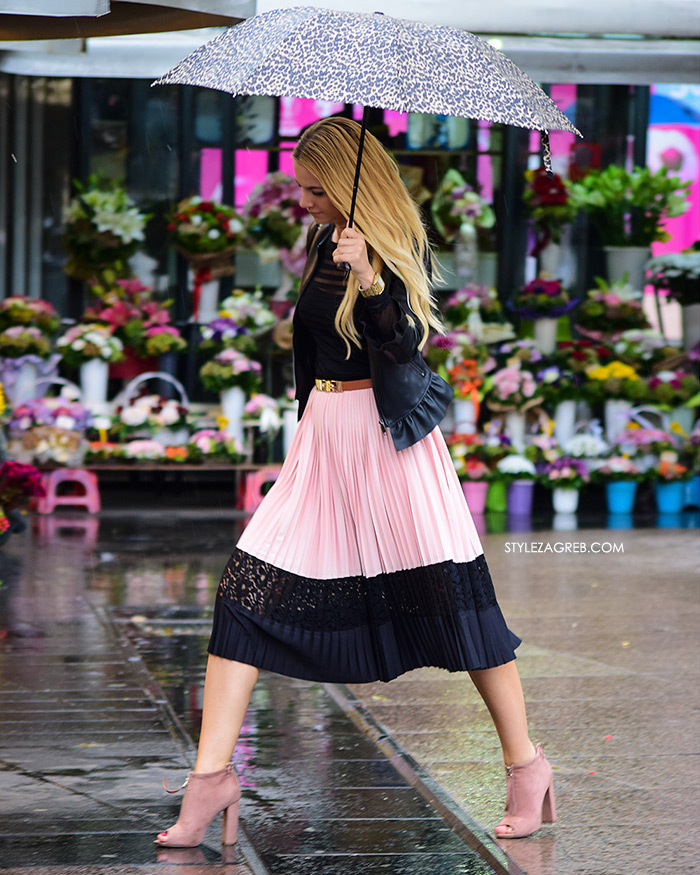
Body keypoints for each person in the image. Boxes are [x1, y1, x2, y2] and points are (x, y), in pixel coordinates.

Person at [155, 116, 556, 848]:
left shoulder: (392, 249)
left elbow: (403, 346)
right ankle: (211, 777)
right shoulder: (322, 241)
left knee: (458, 609)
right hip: (325, 441)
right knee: (244, 594)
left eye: (315, 188)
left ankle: (526, 763)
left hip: (391, 444)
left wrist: (370, 278)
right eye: (303, 188)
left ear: (345, 182)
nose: (303, 200)